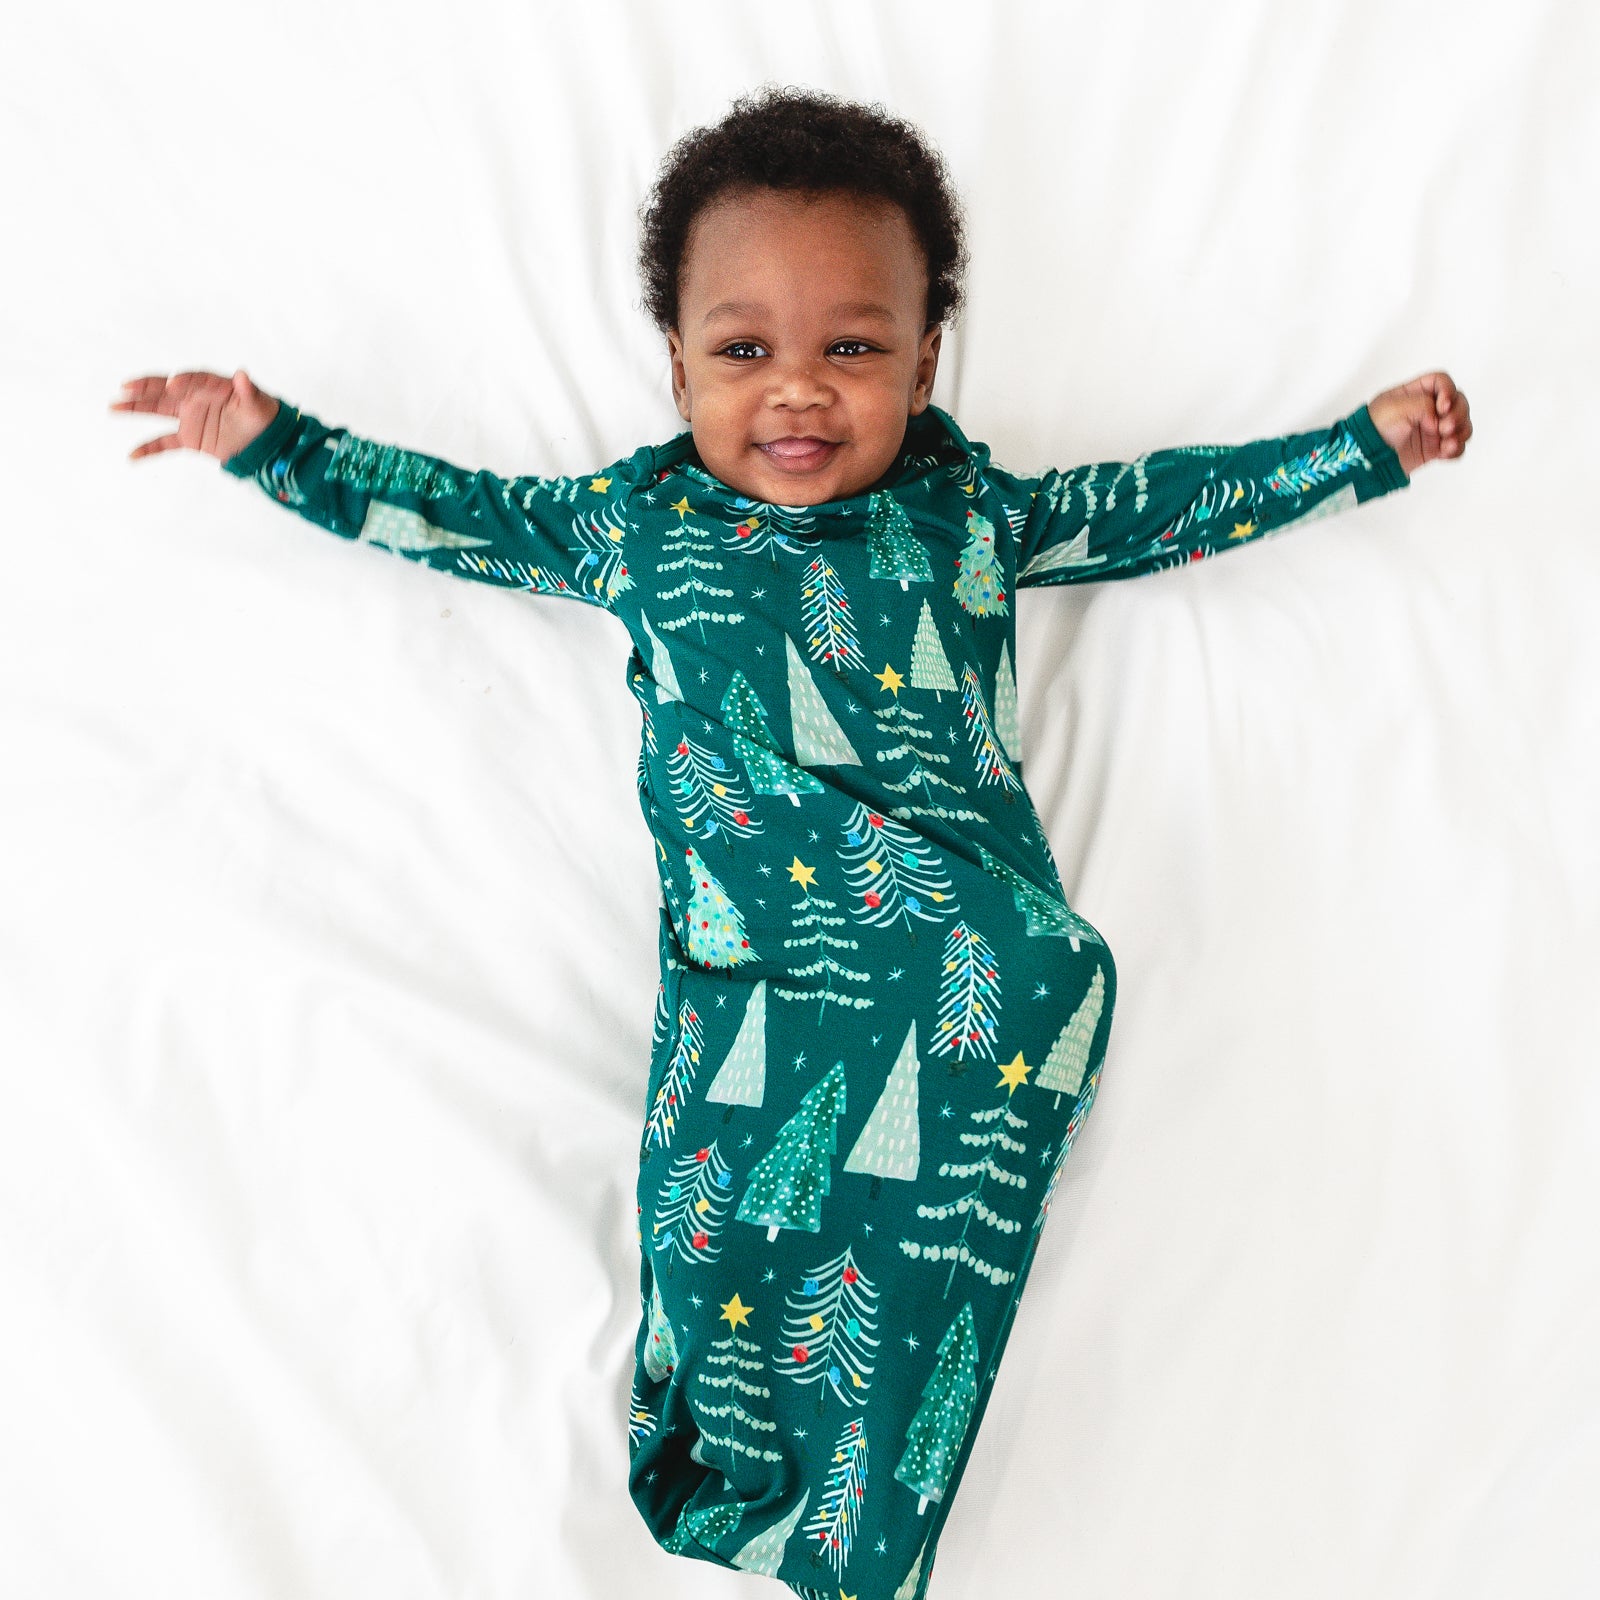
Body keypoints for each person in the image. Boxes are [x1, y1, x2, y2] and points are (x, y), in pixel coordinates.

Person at [111, 83, 1471, 1600]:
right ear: (679, 361)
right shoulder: (634, 526)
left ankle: (864, 1548)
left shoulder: (965, 517)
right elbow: (444, 511)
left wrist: (1363, 448)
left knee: (931, 1222)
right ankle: (748, 1491)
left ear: (925, 360)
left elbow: (1158, 505)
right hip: (749, 973)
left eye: (854, 349)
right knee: (719, 1268)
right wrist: (265, 440)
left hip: (953, 946)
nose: (800, 394)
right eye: (745, 350)